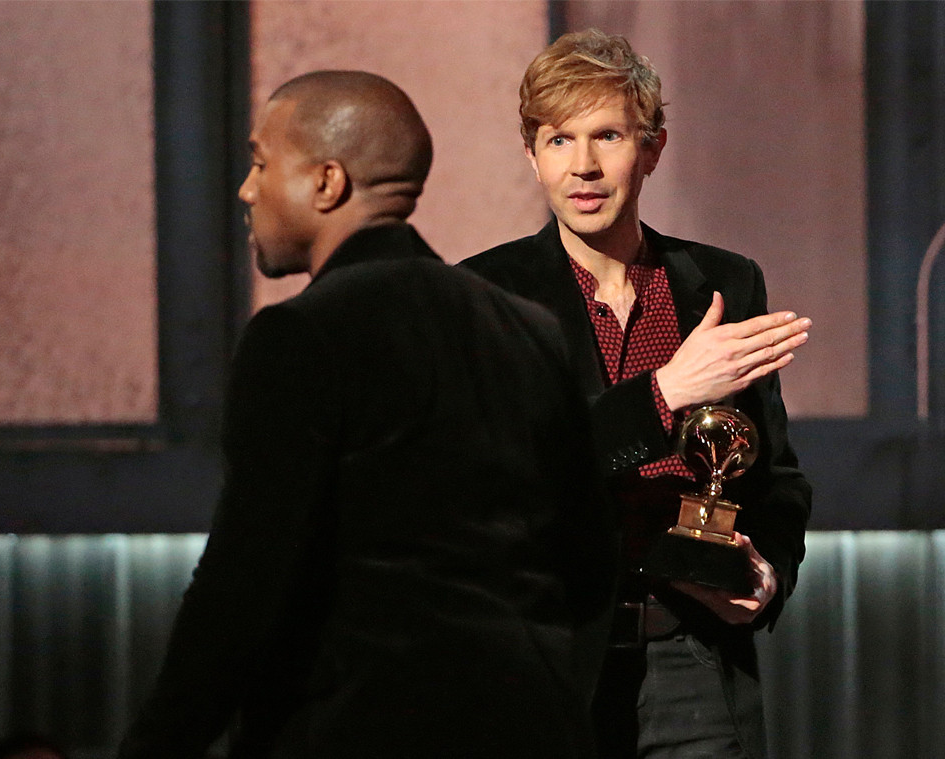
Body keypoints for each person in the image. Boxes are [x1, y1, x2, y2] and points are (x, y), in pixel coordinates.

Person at [118, 70, 617, 759]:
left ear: (328, 182)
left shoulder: (301, 334)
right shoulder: (529, 328)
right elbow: (588, 563)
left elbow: (245, 581)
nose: (247, 189)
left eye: (262, 163)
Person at [460, 30, 812, 759]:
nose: (582, 166)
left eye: (608, 135)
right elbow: (508, 475)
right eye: (559, 140)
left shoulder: (723, 284)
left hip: (695, 664)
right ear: (531, 154)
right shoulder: (484, 295)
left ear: (651, 148)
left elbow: (774, 476)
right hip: (550, 666)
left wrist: (768, 573)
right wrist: (668, 392)